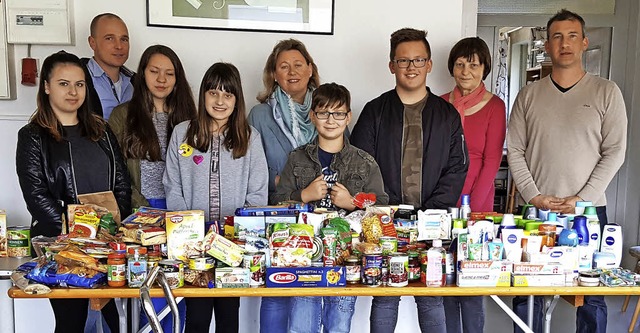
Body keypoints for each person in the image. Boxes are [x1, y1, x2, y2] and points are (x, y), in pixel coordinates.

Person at [507, 9, 627, 333]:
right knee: (527, 293)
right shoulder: (528, 95)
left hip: (587, 215)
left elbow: (615, 151)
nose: (565, 43)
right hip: (536, 213)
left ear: (585, 42)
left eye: (572, 36)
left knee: (590, 295)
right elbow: (515, 150)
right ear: (547, 45)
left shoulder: (606, 92)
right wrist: (533, 196)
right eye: (557, 37)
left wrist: (582, 199)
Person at [350, 28, 468, 333]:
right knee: (386, 296)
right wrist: (386, 212)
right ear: (392, 65)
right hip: (385, 222)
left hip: (433, 223)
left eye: (418, 60)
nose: (411, 67)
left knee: (431, 297)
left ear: (429, 64)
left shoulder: (447, 116)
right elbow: (361, 167)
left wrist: (431, 213)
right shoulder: (375, 112)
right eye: (403, 61)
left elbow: (457, 169)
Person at [15, 51, 131, 333]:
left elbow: (122, 183)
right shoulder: (32, 136)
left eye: (79, 84)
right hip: (61, 247)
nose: (73, 91)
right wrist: (78, 238)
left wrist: (112, 231)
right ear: (47, 86)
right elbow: (36, 196)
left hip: (108, 245)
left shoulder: (101, 131)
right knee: (71, 321)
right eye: (64, 84)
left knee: (114, 321)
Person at [273, 82, 390, 333]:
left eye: (338, 113)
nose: (331, 120)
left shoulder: (365, 162)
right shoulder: (297, 158)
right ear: (313, 115)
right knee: (301, 326)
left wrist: (352, 202)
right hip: (304, 258)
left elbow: (383, 210)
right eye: (324, 113)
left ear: (348, 117)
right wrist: (303, 195)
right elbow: (277, 205)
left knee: (339, 325)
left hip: (347, 259)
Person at [163, 62, 268, 333]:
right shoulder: (183, 133)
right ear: (203, 95)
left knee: (228, 315)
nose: (220, 101)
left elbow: (257, 191)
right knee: (196, 316)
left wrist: (240, 235)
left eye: (228, 95)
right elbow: (173, 185)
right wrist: (188, 233)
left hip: (232, 244)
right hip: (193, 244)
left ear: (237, 100)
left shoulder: (249, 137)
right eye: (213, 93)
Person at [108, 44, 196, 332]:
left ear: (177, 78)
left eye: (169, 73)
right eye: (154, 71)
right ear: (142, 73)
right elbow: (117, 171)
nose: (162, 79)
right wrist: (133, 209)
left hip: (180, 214)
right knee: (148, 293)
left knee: (179, 292)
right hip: (142, 213)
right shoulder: (123, 115)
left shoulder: (189, 118)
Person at [247, 38, 320, 333]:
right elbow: (248, 166)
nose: (292, 72)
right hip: (276, 215)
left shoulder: (327, 110)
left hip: (319, 217)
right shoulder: (259, 115)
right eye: (283, 66)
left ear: (310, 69)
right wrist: (275, 180)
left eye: (298, 65)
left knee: (310, 291)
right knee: (276, 291)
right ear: (273, 74)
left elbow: (342, 155)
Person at [440, 37, 506, 333]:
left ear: (485, 69)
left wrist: (471, 210)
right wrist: (441, 203)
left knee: (474, 277)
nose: (466, 71)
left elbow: (492, 161)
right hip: (441, 202)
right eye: (460, 64)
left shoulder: (495, 106)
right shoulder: (439, 104)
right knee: (445, 278)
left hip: (477, 204)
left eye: (474, 64)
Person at [82, 13, 134, 119]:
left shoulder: (137, 82)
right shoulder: (78, 79)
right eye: (109, 38)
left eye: (124, 39)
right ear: (92, 42)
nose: (119, 46)